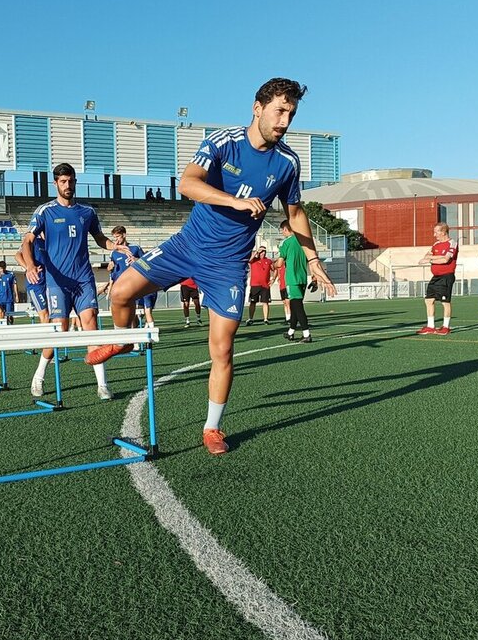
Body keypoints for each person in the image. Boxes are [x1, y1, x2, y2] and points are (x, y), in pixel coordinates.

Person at [87, 77, 336, 455]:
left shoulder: (287, 162)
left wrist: (314, 258)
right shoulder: (224, 141)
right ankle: (123, 339)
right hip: (186, 247)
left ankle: (212, 428)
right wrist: (234, 202)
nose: (285, 121)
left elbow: (296, 212)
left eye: (291, 113)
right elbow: (187, 183)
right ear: (258, 107)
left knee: (222, 349)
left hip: (229, 265)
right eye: (279, 111)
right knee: (120, 291)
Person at [19, 163, 132, 400]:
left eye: (70, 181)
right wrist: (29, 266)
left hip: (83, 279)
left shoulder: (87, 212)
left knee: (91, 326)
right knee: (60, 329)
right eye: (63, 182)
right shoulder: (45, 212)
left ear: (75, 182)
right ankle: (38, 376)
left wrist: (116, 246)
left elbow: (100, 238)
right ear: (55, 184)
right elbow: (27, 241)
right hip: (57, 281)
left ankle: (102, 384)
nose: (67, 185)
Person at [102, 225, 156, 327]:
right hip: (121, 288)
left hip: (135, 286)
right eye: (114, 237)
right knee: (127, 317)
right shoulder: (113, 253)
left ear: (124, 235)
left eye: (118, 236)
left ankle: (141, 335)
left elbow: (147, 264)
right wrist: (109, 267)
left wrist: (137, 260)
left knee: (139, 314)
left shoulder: (135, 248)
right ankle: (134, 339)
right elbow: (111, 271)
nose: (116, 240)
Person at [416, 223, 459, 335]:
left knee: (445, 301)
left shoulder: (452, 243)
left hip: (447, 276)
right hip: (435, 277)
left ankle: (446, 327)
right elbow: (426, 255)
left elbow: (446, 260)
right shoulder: (435, 244)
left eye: (436, 232)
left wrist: (430, 260)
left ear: (443, 232)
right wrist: (435, 257)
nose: (434, 235)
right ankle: (431, 326)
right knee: (429, 300)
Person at [276, 220, 313, 343]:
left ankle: (306, 334)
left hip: (292, 278)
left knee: (298, 307)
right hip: (303, 277)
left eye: (282, 230)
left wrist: (273, 263)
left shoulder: (286, 243)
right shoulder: (303, 241)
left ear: (286, 229)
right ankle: (291, 332)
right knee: (295, 306)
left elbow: (280, 263)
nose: (282, 233)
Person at [15, 236, 49, 324]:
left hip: (49, 282)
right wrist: (29, 268)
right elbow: (18, 255)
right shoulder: (33, 241)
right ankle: (45, 337)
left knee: (54, 314)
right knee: (45, 315)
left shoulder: (50, 242)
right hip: (36, 283)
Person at [246, 246, 275, 325]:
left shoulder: (268, 261)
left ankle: (266, 319)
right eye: (262, 251)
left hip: (265, 285)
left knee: (265, 302)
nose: (263, 253)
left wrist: (273, 279)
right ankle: (250, 318)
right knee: (252, 302)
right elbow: (249, 260)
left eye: (264, 251)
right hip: (255, 285)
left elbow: (274, 269)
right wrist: (256, 252)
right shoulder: (254, 260)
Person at [0, 260, 19, 325]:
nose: (2, 270)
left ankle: (11, 326)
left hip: (9, 299)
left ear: (5, 267)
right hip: (0, 299)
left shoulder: (10, 274)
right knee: (1, 314)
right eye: (1, 268)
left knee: (10, 315)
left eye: (3, 268)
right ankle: (2, 327)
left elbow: (14, 284)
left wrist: (16, 295)